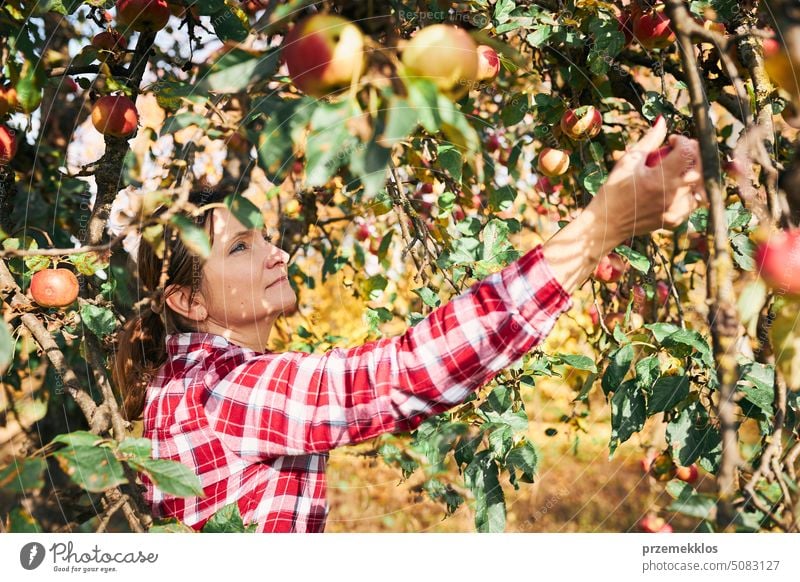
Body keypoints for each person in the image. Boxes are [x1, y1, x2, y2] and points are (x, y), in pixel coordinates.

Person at [112, 118, 707, 532]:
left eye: (264, 236)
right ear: (187, 301)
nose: (277, 254)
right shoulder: (222, 393)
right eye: (241, 248)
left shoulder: (182, 379)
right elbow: (405, 375)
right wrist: (602, 226)